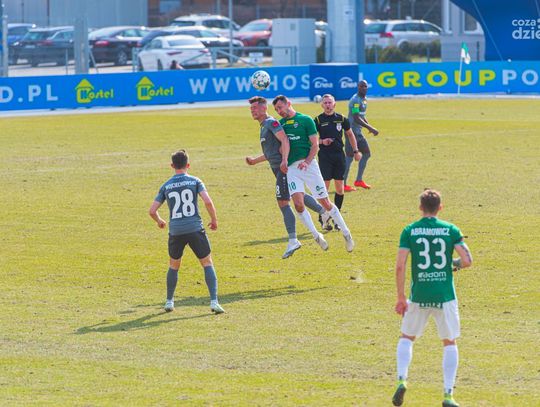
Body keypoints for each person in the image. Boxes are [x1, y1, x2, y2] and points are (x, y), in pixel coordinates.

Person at [392, 189, 473, 407]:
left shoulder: (410, 230)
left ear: (420, 207)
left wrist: (401, 297)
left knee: (407, 337)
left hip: (419, 294)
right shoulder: (450, 230)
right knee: (449, 342)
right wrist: (453, 264)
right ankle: (448, 395)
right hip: (445, 295)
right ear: (440, 207)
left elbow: (400, 266)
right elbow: (467, 260)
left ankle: (402, 379)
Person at [245, 96, 328, 258]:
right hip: (279, 169)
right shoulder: (264, 126)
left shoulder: (271, 123)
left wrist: (284, 161)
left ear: (264, 108)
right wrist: (255, 161)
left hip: (283, 169)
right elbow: (272, 152)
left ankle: (293, 240)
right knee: (297, 195)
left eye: (255, 108)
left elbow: (284, 140)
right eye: (251, 109)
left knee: (283, 202)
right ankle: (323, 211)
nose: (252, 111)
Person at [272, 95, 354, 252]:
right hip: (292, 169)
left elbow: (315, 145)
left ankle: (346, 233)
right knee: (298, 204)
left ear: (289, 103)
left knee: (325, 203)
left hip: (309, 166)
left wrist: (307, 162)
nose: (279, 111)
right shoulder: (280, 125)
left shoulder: (306, 120)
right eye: (276, 109)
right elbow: (280, 146)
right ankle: (317, 236)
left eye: (280, 107)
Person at [149, 150, 225, 314]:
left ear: (172, 165)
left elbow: (152, 211)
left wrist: (160, 221)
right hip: (195, 228)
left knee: (174, 265)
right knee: (207, 263)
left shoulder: (166, 185)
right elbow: (208, 202)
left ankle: (169, 301)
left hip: (176, 231)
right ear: (188, 165)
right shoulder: (195, 181)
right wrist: (214, 220)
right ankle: (214, 302)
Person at [314, 94, 361, 231]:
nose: (328, 105)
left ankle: (336, 217)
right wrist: (322, 141)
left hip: (339, 156)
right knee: (324, 188)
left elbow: (350, 134)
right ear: (322, 105)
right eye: (325, 103)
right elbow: (312, 139)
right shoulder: (317, 120)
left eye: (330, 102)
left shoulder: (341, 119)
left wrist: (356, 151)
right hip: (325, 157)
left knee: (340, 188)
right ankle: (322, 217)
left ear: (334, 104)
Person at [344, 80, 379, 191]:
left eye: (365, 86)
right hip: (351, 132)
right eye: (361, 86)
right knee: (349, 157)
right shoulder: (355, 100)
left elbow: (362, 116)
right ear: (358, 87)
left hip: (358, 132)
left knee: (367, 153)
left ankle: (358, 180)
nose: (364, 88)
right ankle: (343, 184)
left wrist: (368, 126)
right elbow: (356, 117)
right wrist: (371, 128)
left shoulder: (364, 99)